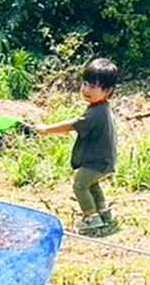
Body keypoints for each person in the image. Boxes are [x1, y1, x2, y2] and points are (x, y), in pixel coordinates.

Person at [34, 58, 121, 236]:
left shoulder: (96, 113)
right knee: (92, 184)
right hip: (104, 161)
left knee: (80, 185)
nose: (87, 90)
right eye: (85, 84)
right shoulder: (101, 108)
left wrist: (46, 129)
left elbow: (73, 125)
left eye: (94, 86)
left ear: (108, 91)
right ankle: (103, 212)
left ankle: (90, 217)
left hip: (97, 162)